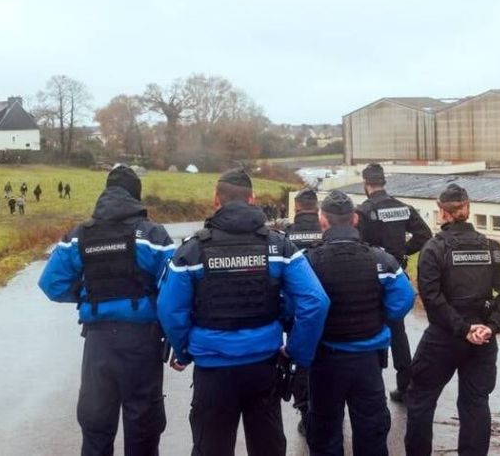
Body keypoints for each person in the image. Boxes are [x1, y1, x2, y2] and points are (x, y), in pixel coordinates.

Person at [158, 168, 329, 456]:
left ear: (216, 200)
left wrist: (185, 351)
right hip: (264, 369)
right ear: (252, 199)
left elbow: (168, 308)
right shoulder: (278, 245)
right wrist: (298, 352)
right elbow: (316, 301)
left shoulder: (192, 250)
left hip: (213, 374)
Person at [38, 165, 177, 456]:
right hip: (142, 343)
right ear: (136, 197)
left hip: (98, 343)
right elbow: (174, 289)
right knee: (143, 427)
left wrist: (86, 294)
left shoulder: (80, 236)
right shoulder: (152, 235)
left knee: (96, 426)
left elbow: (51, 283)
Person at [404, 184, 500, 456]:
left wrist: (463, 328)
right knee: (475, 403)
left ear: (443, 212)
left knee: (421, 400)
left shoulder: (434, 249)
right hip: (481, 339)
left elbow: (432, 299)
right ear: (467, 209)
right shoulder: (493, 249)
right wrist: (490, 327)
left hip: (444, 338)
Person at [306, 191, 416, 456]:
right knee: (371, 433)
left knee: (325, 435)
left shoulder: (310, 262)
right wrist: (379, 316)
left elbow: (297, 308)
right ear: (354, 219)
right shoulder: (381, 259)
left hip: (326, 361)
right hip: (367, 362)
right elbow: (405, 297)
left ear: (323, 220)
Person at [354, 163, 434, 402]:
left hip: (372, 273)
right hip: (396, 272)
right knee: (397, 330)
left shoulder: (365, 211)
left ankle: (371, 384)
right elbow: (424, 235)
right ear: (384, 183)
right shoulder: (402, 208)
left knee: (370, 326)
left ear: (366, 185)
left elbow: (358, 244)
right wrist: (402, 252)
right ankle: (405, 385)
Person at [280, 189, 324, 433]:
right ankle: (326, 407)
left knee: (300, 359)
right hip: (325, 304)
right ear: (316, 208)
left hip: (296, 308)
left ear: (296, 208)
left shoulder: (286, 234)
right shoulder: (326, 228)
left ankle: (306, 411)